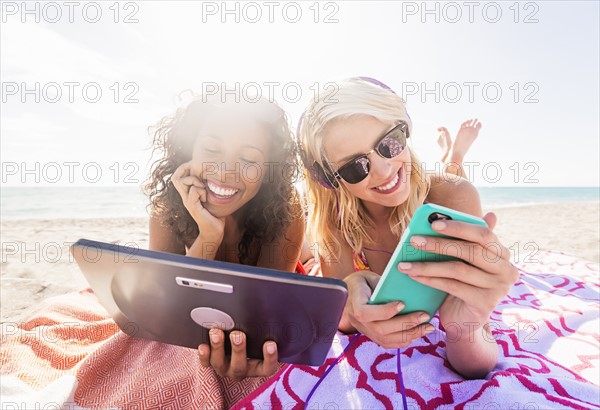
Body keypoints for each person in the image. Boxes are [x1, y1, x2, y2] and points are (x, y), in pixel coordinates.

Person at [297, 77, 519, 379]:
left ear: (405, 128)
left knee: (452, 178)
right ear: (330, 180)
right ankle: (449, 156)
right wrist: (350, 305)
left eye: (390, 143)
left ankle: (453, 157)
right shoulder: (336, 221)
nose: (384, 170)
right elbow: (343, 319)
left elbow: (478, 364)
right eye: (354, 167)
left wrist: (461, 329)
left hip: (438, 188)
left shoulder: (454, 197)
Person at [144, 92, 305, 380]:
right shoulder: (166, 209)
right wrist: (208, 234)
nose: (225, 170)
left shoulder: (286, 210)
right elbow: (166, 305)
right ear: (188, 149)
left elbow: (266, 316)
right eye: (211, 149)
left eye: (248, 158)